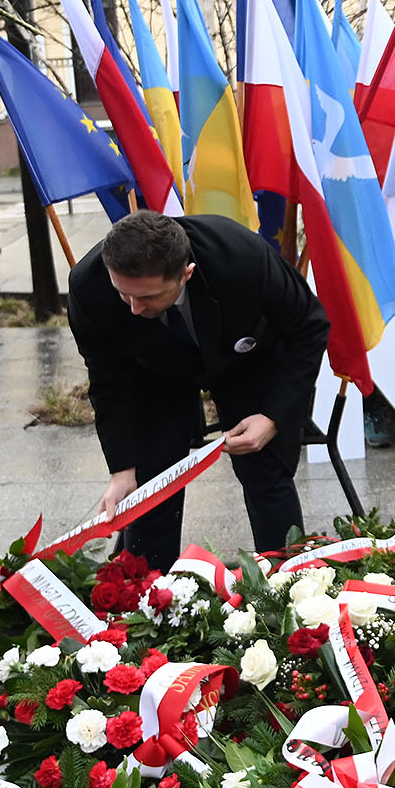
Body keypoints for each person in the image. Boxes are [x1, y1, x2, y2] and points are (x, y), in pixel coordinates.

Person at [67, 210, 329, 565]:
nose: (132, 308)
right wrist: (122, 469)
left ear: (185, 273)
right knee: (150, 483)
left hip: (245, 355)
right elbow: (108, 382)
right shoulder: (89, 286)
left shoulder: (241, 257)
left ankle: (290, 578)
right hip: (153, 367)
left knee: (263, 467)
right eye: (123, 294)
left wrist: (272, 416)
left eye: (147, 297)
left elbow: (309, 327)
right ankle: (148, 596)